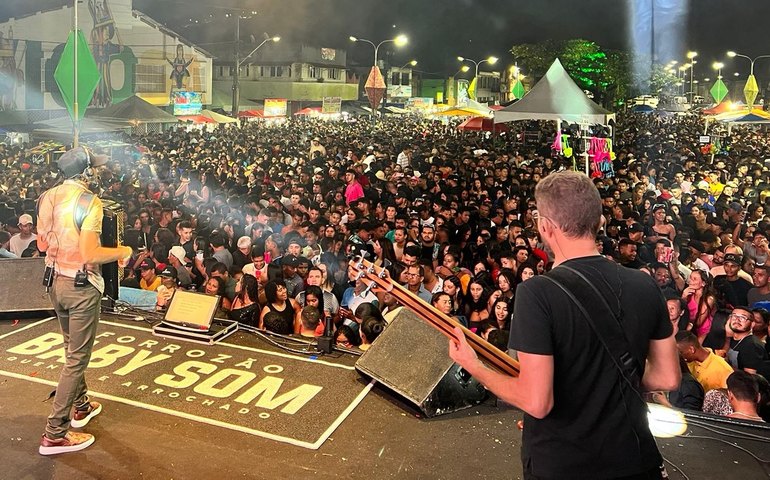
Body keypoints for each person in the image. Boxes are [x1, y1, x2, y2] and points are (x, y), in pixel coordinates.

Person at [449, 171, 680, 479]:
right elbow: (667, 376)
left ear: (545, 227)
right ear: (599, 221)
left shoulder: (536, 293)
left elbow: (537, 401)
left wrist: (474, 365)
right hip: (635, 459)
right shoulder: (644, 284)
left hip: (563, 464)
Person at [36, 146, 133, 455]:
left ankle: (81, 406)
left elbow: (41, 242)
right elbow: (90, 254)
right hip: (80, 287)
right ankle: (55, 434)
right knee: (76, 360)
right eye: (95, 169)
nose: (98, 173)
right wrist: (123, 252)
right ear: (87, 172)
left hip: (54, 282)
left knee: (70, 349)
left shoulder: (47, 198)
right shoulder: (89, 202)